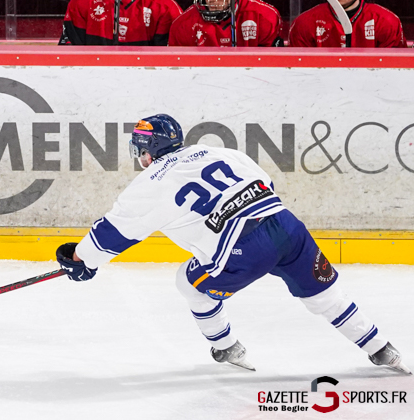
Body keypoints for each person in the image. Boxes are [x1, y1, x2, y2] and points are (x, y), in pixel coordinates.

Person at [55, 114, 410, 374]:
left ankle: (226, 347)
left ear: (148, 151)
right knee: (325, 297)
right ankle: (381, 348)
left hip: (241, 249)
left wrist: (82, 260)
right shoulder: (217, 152)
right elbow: (264, 183)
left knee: (188, 283)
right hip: (287, 226)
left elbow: (113, 234)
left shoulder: (151, 182)